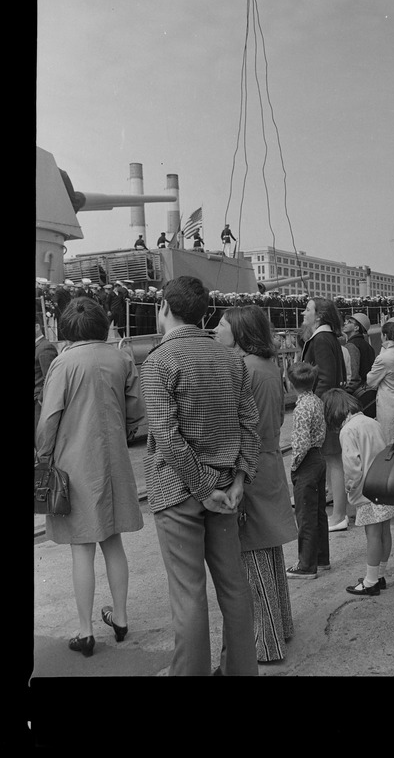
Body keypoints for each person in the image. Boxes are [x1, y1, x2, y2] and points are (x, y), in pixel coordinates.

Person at [140, 275, 260, 675]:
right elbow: (250, 425)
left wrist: (203, 487)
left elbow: (167, 439)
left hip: (179, 492)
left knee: (189, 596)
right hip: (227, 490)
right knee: (234, 587)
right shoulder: (230, 359)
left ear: (165, 308)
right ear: (203, 313)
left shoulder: (158, 362)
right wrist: (238, 479)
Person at [35, 297, 146, 658]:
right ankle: (122, 618)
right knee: (113, 541)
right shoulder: (122, 358)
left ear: (67, 328)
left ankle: (84, 632)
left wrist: (43, 457)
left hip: (74, 467)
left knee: (81, 549)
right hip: (114, 462)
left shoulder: (63, 363)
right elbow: (135, 411)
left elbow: (49, 419)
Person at [213, 305, 298, 663]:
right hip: (267, 461)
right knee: (268, 552)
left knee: (252, 556)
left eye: (221, 324)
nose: (215, 329)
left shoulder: (244, 369)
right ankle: (280, 628)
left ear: (239, 331)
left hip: (249, 469)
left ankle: (265, 643)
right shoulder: (267, 367)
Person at [321, 389, 394, 596]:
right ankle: (380, 574)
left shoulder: (347, 430)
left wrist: (350, 486)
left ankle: (370, 581)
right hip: (383, 485)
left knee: (372, 535)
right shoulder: (372, 422)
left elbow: (351, 465)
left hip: (366, 490)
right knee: (385, 532)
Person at [300, 297, 349, 532]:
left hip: (325, 407)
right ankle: (339, 511)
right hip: (330, 404)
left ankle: (339, 514)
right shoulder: (327, 337)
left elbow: (326, 378)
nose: (303, 312)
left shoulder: (320, 339)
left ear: (318, 315)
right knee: (334, 460)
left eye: (307, 309)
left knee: (334, 460)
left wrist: (313, 408)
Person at [285, 362, 329, 580]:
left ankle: (306, 564)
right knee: (318, 511)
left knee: (305, 514)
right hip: (319, 456)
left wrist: (294, 465)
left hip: (307, 461)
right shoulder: (316, 401)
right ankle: (321, 558)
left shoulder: (301, 408)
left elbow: (301, 443)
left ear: (291, 384)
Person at [35, 312, 59, 434]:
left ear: (37, 327)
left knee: (40, 439)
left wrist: (40, 400)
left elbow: (50, 378)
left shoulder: (45, 348)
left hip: (38, 403)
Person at [342, 312, 375, 393]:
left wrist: (347, 393)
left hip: (355, 392)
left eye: (349, 322)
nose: (345, 323)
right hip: (365, 390)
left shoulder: (351, 346)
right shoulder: (368, 346)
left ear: (356, 328)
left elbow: (353, 377)